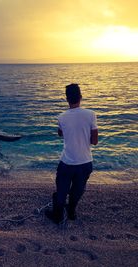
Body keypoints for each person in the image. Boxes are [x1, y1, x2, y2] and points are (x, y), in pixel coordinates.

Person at [45, 83, 98, 224]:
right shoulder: (91, 114)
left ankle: (57, 215)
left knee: (62, 189)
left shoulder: (62, 117)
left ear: (67, 99)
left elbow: (60, 134)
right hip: (85, 162)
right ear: (81, 97)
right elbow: (94, 141)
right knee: (78, 190)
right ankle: (71, 211)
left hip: (67, 162)